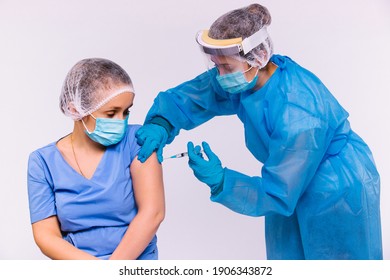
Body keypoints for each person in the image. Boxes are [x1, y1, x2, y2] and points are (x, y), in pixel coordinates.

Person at [135, 4, 382, 259]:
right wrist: (162, 122)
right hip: (286, 173)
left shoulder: (299, 112)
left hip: (335, 188)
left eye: (226, 68)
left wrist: (222, 180)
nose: (220, 77)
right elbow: (196, 95)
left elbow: (278, 193)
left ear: (259, 57)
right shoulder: (246, 77)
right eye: (215, 65)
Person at [27, 58, 165, 260]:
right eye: (111, 113)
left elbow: (153, 213)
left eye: (126, 111)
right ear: (75, 110)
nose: (121, 121)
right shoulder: (43, 162)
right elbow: (46, 236)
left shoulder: (138, 141)